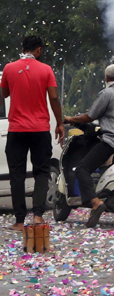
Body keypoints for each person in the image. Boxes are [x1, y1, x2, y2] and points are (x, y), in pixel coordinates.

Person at [65, 63, 114, 228]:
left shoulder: (107, 93)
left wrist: (71, 119)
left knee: (82, 169)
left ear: (106, 78)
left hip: (113, 142)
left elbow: (90, 117)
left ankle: (95, 203)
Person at [0, 36, 64, 232]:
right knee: (42, 172)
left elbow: (4, 94)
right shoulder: (46, 70)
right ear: (39, 50)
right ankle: (37, 216)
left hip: (16, 131)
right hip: (40, 129)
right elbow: (54, 98)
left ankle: (19, 221)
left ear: (22, 49)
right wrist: (59, 123)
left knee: (16, 175)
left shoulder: (9, 68)